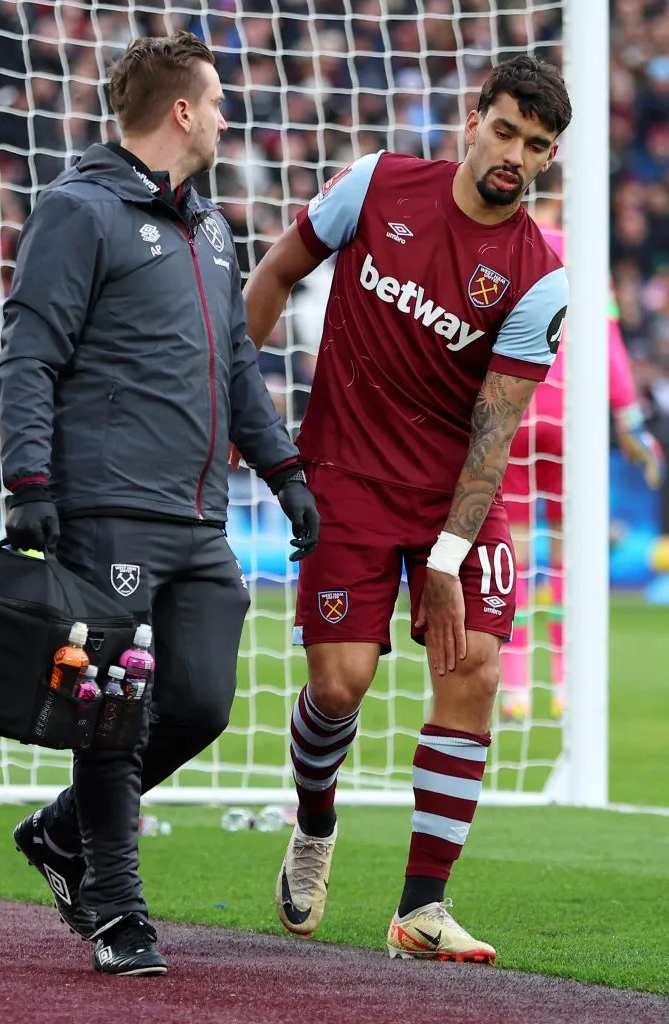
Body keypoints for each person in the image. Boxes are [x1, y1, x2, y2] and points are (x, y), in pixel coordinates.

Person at [0, 31, 319, 976]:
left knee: (203, 703)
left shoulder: (212, 227)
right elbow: (30, 351)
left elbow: (235, 370)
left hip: (198, 520)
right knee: (115, 709)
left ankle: (60, 835)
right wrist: (29, 481)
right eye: (216, 101)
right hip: (106, 510)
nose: (225, 117)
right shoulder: (76, 210)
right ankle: (115, 910)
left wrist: (286, 472)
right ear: (181, 111)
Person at [241, 55, 571, 963]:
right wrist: (226, 406)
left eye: (536, 146)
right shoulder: (375, 182)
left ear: (547, 159)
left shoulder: (539, 276)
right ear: (471, 122)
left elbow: (495, 429)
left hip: (453, 500)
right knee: (339, 684)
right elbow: (270, 277)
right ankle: (313, 825)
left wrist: (446, 556)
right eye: (504, 131)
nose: (515, 155)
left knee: (472, 675)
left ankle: (421, 908)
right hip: (343, 476)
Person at [501, 205, 664, 721]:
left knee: (517, 558)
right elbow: (611, 347)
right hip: (568, 413)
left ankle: (516, 686)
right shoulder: (587, 256)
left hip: (512, 411)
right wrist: (631, 424)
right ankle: (567, 684)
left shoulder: (506, 243)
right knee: (567, 559)